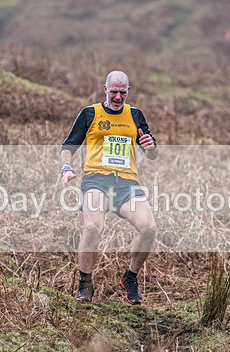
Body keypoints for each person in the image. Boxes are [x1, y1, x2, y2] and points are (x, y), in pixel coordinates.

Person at [60, 70, 158, 305]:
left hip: (126, 183)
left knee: (149, 228)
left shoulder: (135, 115)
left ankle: (130, 278)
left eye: (122, 92)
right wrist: (66, 168)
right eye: (113, 92)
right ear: (105, 89)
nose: (117, 97)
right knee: (93, 227)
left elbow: (152, 153)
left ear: (128, 92)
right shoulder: (89, 113)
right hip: (97, 180)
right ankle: (85, 283)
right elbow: (68, 146)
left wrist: (151, 146)